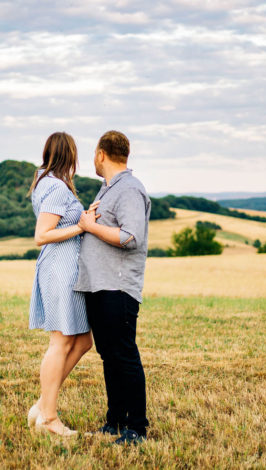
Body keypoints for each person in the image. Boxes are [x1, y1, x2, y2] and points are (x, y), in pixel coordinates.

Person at [74, 130, 151, 445]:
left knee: (124, 354)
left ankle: (137, 428)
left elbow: (131, 237)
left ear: (100, 154)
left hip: (117, 288)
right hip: (99, 286)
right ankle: (115, 421)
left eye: (93, 154)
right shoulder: (107, 190)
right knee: (110, 355)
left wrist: (90, 226)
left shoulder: (130, 190)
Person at [27, 131, 97, 436]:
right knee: (61, 342)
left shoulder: (48, 182)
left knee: (82, 341)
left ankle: (43, 404)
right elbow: (42, 235)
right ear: (69, 155)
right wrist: (81, 226)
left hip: (67, 268)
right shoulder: (55, 187)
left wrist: (82, 219)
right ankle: (49, 419)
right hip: (60, 268)